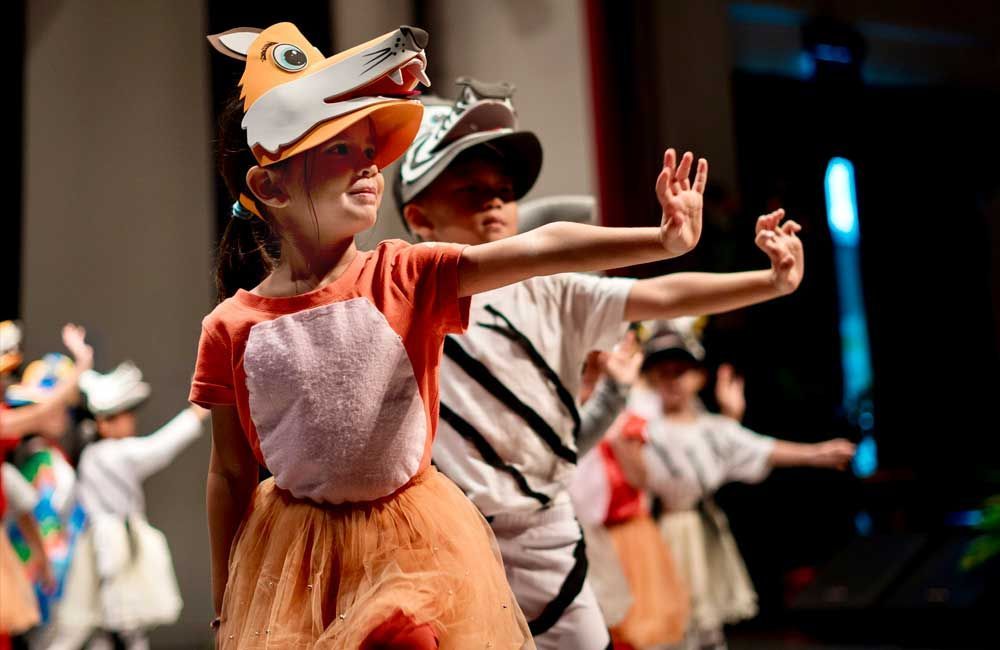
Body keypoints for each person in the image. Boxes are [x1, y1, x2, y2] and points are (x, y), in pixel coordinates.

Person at [394, 77, 804, 649]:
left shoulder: (557, 292)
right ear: (419, 218)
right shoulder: (400, 299)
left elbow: (664, 296)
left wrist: (770, 282)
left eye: (505, 190)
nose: (494, 200)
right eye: (469, 190)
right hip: (447, 544)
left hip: (548, 537)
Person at [637, 320, 856, 649]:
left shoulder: (712, 428)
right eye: (662, 372)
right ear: (651, 378)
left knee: (707, 622)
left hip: (702, 528)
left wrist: (816, 453)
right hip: (666, 530)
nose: (671, 380)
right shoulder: (643, 430)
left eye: (679, 370)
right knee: (674, 624)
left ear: (699, 376)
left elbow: (758, 447)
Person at [45, 361, 207, 650]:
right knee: (119, 622)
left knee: (107, 629)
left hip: (106, 539)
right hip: (113, 543)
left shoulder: (92, 455)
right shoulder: (113, 454)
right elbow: (159, 448)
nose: (130, 422)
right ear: (105, 422)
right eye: (123, 416)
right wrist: (195, 415)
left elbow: (65, 504)